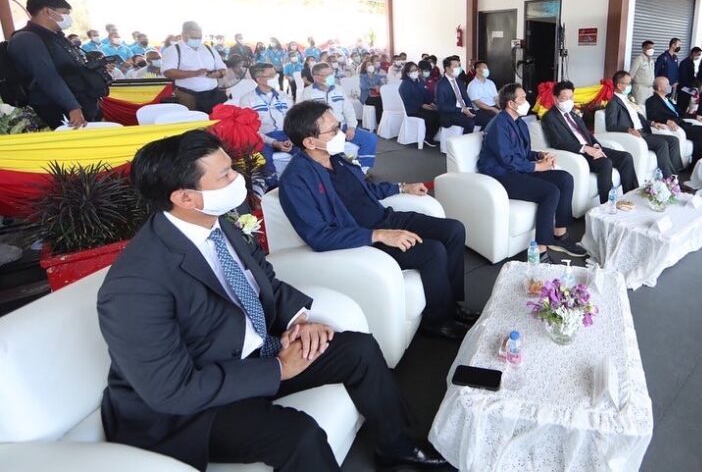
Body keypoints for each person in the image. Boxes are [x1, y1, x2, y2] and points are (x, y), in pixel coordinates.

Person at [96, 130, 447, 472]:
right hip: (193, 406)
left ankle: (397, 446)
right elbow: (171, 389)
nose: (238, 179)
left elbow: (266, 283)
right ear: (185, 198)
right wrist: (279, 369)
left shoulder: (221, 226)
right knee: (299, 436)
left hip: (256, 354)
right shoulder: (135, 285)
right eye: (225, 175)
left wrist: (299, 321)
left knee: (359, 350)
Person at [279, 101, 475, 340]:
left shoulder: (337, 157)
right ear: (310, 142)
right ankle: (438, 321)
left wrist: (402, 187)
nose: (341, 134)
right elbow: (319, 236)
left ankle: (452, 304)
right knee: (431, 251)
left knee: (454, 230)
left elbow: (365, 190)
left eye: (339, 126)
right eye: (333, 130)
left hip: (385, 218)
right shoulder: (296, 180)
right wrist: (378, 235)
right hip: (362, 238)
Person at [478, 83, 585, 259]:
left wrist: (539, 155)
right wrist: (538, 167)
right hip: (501, 176)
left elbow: (524, 153)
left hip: (519, 169)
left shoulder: (519, 122)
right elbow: (507, 160)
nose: (526, 101)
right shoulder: (498, 125)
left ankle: (560, 235)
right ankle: (541, 251)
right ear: (511, 103)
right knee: (550, 192)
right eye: (522, 98)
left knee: (565, 178)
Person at [9, 0, 108, 129]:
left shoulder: (58, 38)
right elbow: (47, 77)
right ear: (48, 11)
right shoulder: (26, 39)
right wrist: (72, 106)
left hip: (83, 103)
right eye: (65, 12)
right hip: (57, 109)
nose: (68, 17)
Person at [542, 81, 638, 203]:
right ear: (555, 99)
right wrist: (586, 149)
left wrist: (597, 147)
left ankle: (631, 199)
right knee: (605, 163)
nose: (569, 101)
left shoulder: (573, 114)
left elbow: (587, 134)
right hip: (579, 153)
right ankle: (607, 204)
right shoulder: (549, 117)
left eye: (571, 97)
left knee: (626, 157)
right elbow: (557, 143)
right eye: (565, 98)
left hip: (592, 148)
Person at [605, 70, 684, 177]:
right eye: (628, 84)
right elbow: (611, 126)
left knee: (673, 140)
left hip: (644, 131)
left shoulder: (629, 100)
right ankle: (668, 177)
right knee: (662, 144)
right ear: (619, 85)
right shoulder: (613, 103)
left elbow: (637, 118)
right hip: (634, 135)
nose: (630, 86)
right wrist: (628, 129)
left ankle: (675, 175)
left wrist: (652, 123)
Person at [302, 63, 378, 169]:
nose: (331, 77)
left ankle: (363, 169)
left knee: (370, 138)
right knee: (332, 148)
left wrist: (352, 127)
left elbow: (349, 110)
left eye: (331, 74)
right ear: (316, 77)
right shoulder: (308, 92)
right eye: (327, 75)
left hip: (342, 127)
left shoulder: (338, 89)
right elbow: (304, 116)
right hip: (322, 132)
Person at [645, 76, 702, 164]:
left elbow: (680, 113)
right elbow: (652, 115)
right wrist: (666, 121)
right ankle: (697, 164)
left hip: (683, 123)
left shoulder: (667, 100)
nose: (670, 86)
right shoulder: (652, 101)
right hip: (676, 127)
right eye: (667, 84)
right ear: (659, 87)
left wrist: (695, 116)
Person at [161, 21, 228, 113]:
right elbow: (168, 72)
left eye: (199, 38)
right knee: (195, 120)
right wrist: (195, 73)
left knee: (216, 120)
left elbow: (223, 68)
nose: (197, 40)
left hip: (213, 95)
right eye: (194, 38)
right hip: (188, 96)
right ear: (184, 35)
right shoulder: (173, 50)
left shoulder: (209, 49)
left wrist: (219, 73)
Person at [239, 63, 294, 178]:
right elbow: (251, 128)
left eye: (275, 74)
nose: (276, 78)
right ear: (259, 79)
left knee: (307, 152)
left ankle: (300, 180)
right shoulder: (247, 99)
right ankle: (271, 183)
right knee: (264, 160)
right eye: (271, 76)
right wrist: (273, 142)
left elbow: (294, 119)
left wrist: (292, 139)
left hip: (288, 135)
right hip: (263, 139)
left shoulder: (284, 96)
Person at [435, 55, 478, 134]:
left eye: (459, 66)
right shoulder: (441, 84)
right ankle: (464, 141)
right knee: (470, 123)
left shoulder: (459, 81)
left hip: (464, 110)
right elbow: (442, 106)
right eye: (455, 66)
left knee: (484, 118)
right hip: (450, 113)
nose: (458, 68)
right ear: (447, 68)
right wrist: (462, 110)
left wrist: (470, 108)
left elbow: (466, 97)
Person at [399, 61, 439, 146]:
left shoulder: (420, 81)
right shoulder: (405, 84)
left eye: (416, 69)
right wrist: (422, 105)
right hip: (412, 110)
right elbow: (408, 100)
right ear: (407, 73)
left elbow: (426, 94)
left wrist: (432, 103)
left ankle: (429, 136)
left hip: (422, 107)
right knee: (432, 116)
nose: (415, 72)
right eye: (412, 70)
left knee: (439, 113)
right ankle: (427, 137)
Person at [467, 60, 499, 126]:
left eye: (487, 68)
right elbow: (478, 104)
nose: (487, 70)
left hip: (493, 107)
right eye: (484, 68)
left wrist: (502, 108)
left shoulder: (490, 83)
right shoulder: (472, 85)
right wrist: (493, 109)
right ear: (477, 70)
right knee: (494, 120)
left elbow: (496, 98)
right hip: (481, 110)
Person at [628, 40, 657, 106]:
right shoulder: (638, 59)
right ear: (643, 49)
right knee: (640, 107)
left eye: (653, 48)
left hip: (650, 89)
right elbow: (631, 75)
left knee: (649, 107)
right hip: (640, 89)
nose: (651, 50)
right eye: (649, 48)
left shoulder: (652, 61)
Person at [677, 46, 702, 113]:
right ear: (694, 53)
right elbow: (683, 77)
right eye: (698, 54)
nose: (699, 57)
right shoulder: (685, 62)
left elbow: (691, 76)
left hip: (688, 87)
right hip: (683, 88)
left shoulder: (691, 62)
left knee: (686, 105)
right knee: (681, 106)